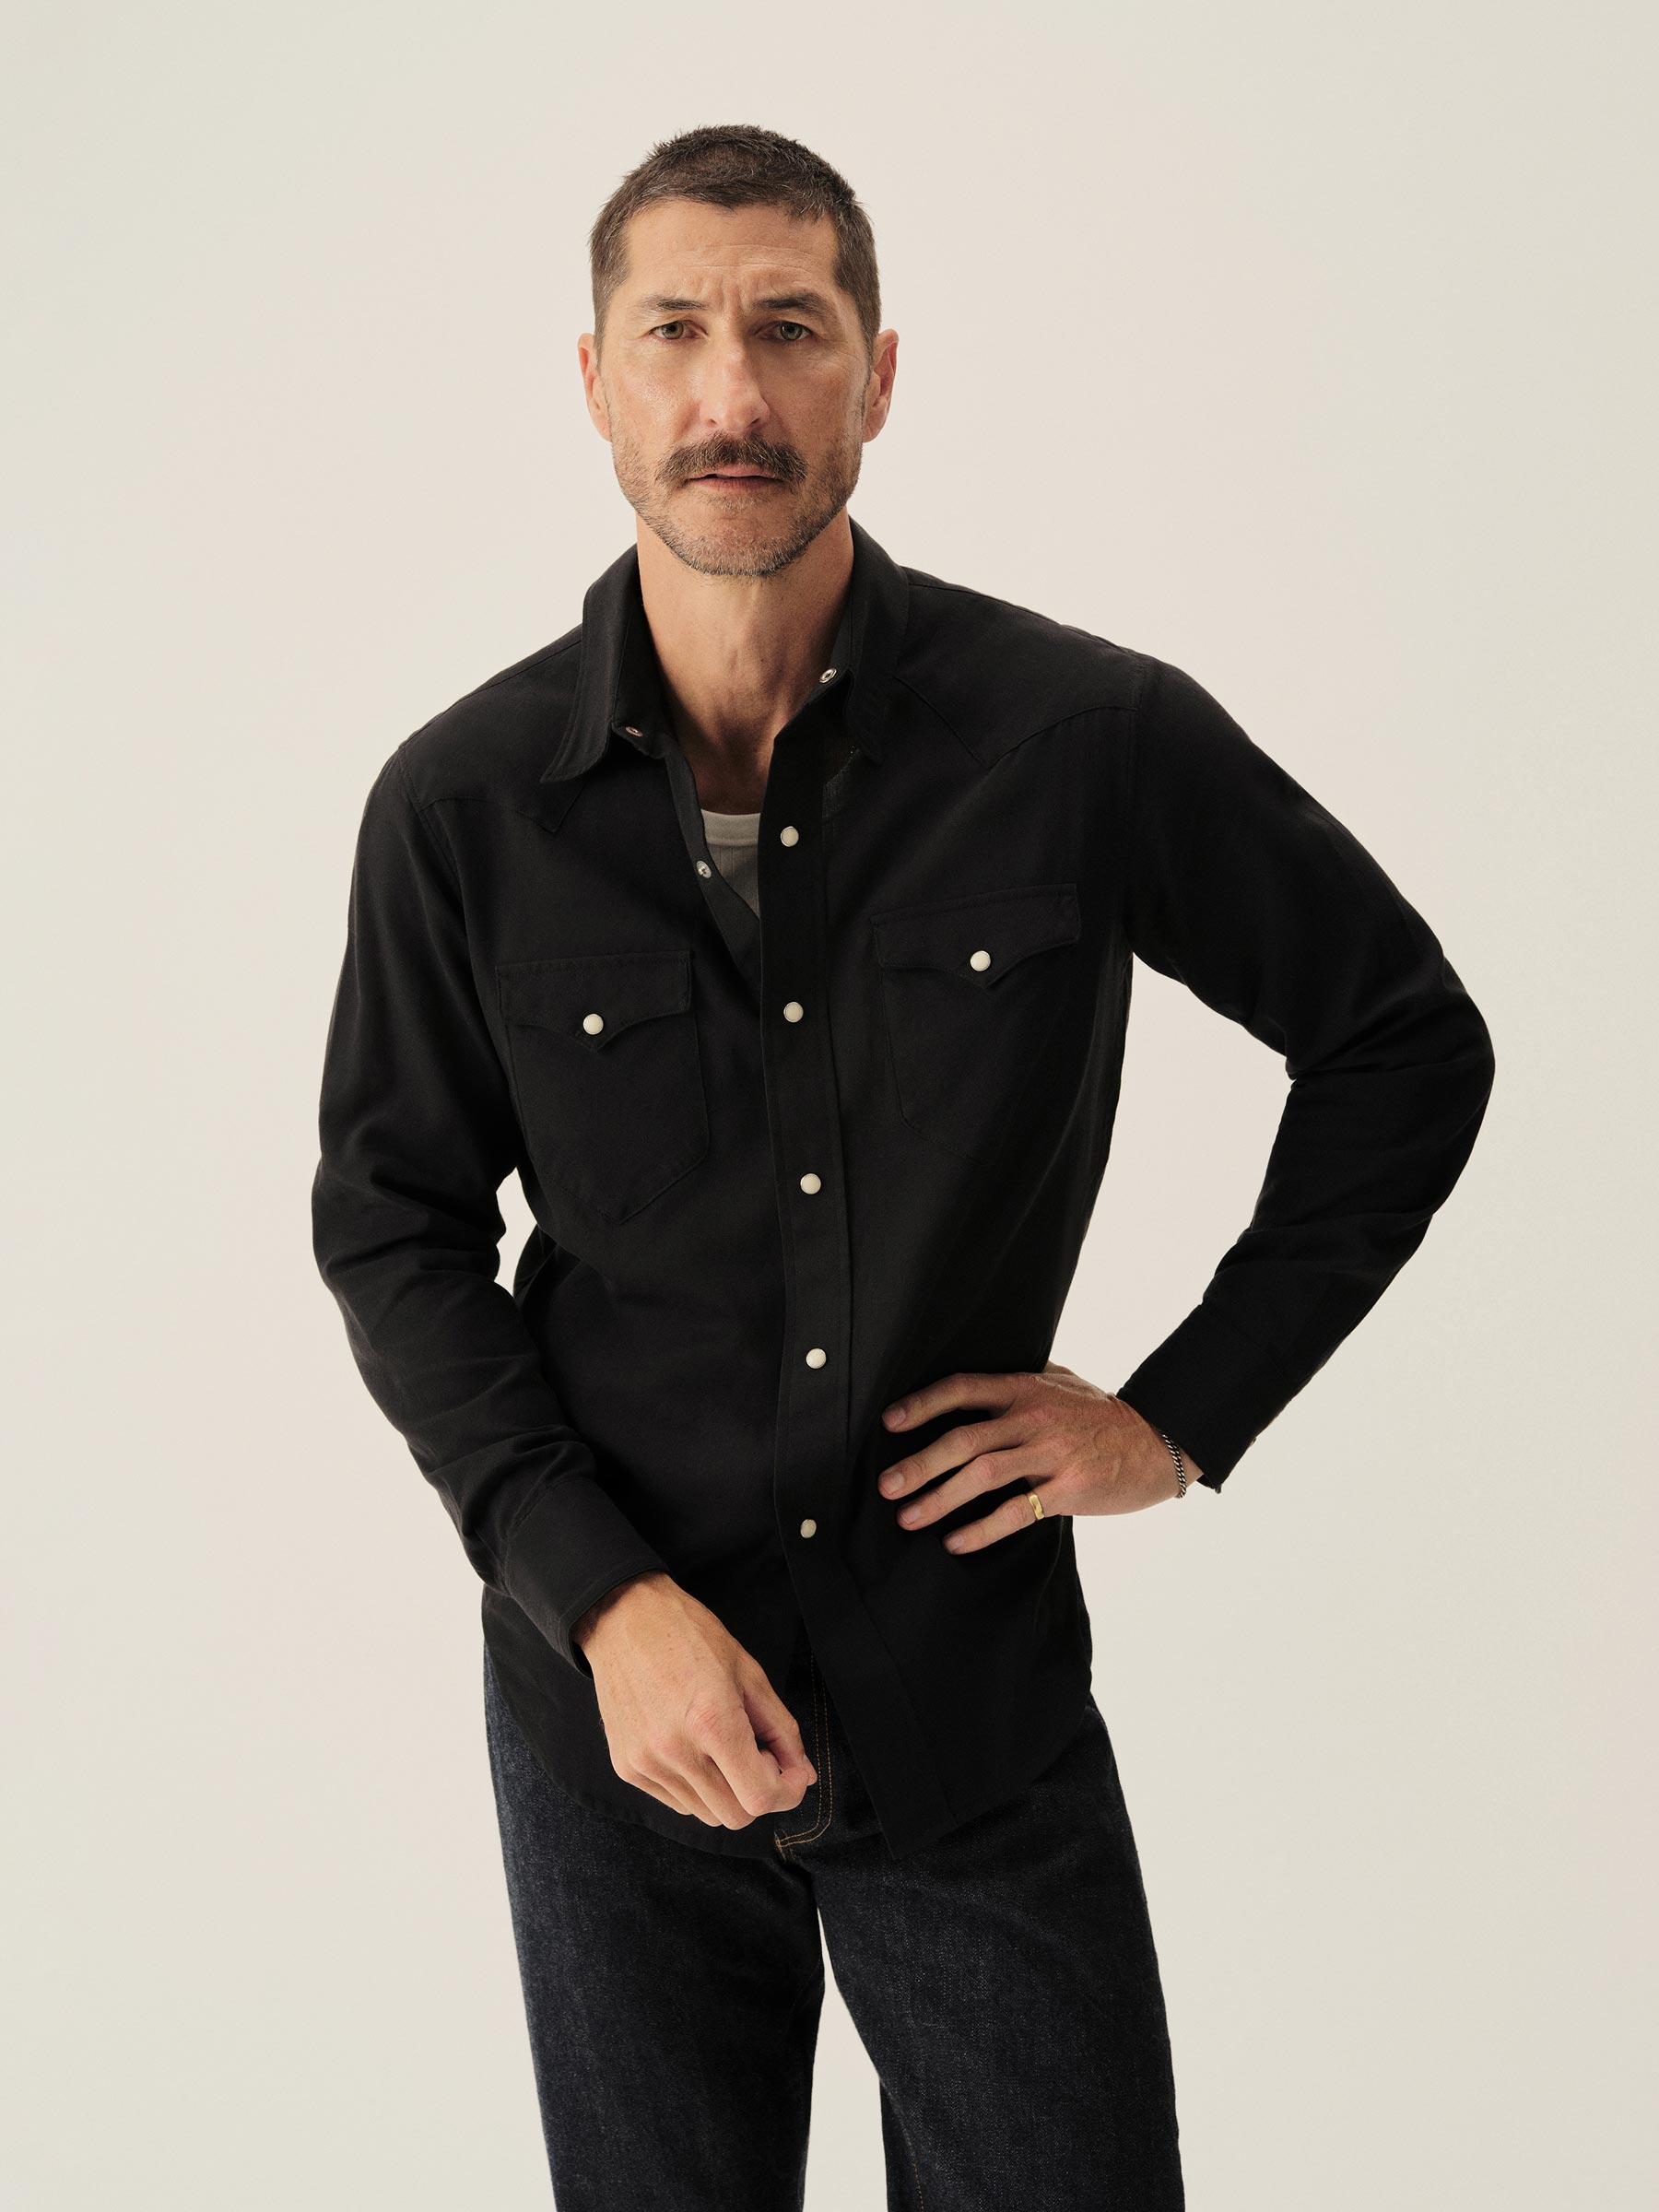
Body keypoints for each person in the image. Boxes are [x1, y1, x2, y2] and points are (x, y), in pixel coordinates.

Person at [311, 123, 1496, 2210]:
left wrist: (1180, 1417)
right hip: (618, 1722)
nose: (732, 392)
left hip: (969, 1698)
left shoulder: (1082, 741)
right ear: (593, 381)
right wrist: (602, 1604)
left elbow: (1403, 1041)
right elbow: (393, 1227)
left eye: (790, 327)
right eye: (674, 331)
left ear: (877, 374)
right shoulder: (463, 806)